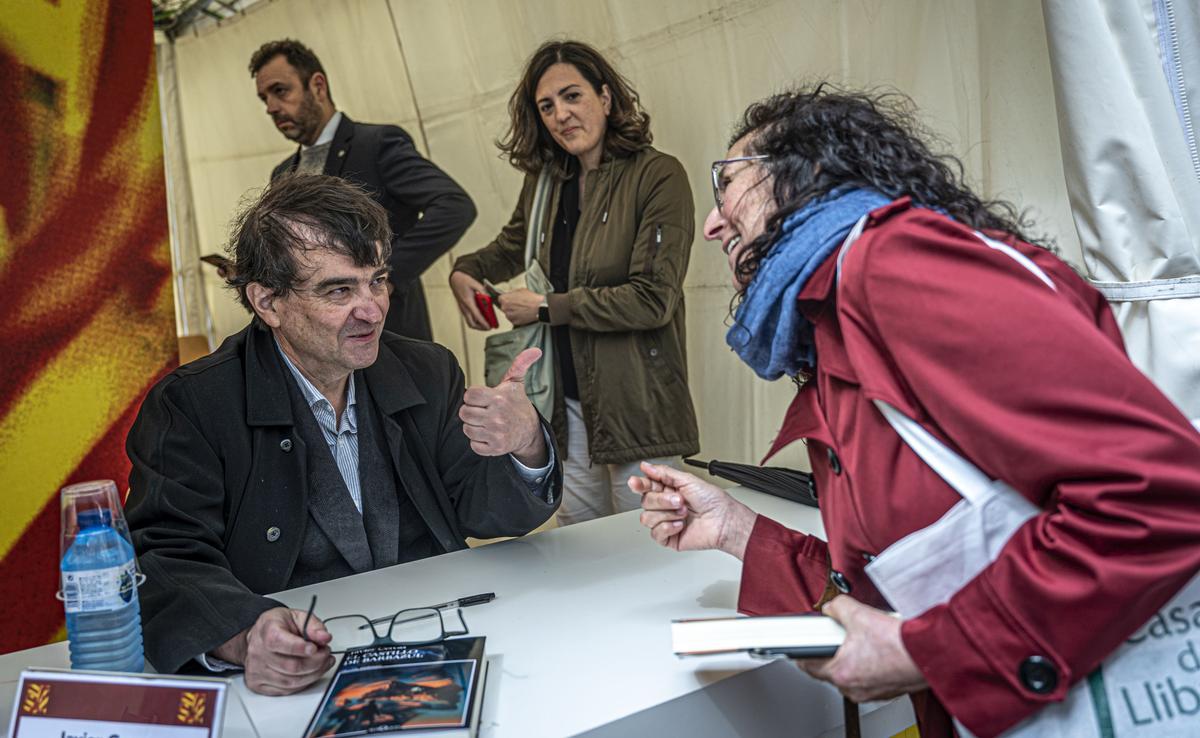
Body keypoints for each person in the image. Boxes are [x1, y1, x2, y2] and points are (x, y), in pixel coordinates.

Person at [633, 85, 1200, 737]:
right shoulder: (839, 324)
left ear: (808, 173)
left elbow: (1158, 495)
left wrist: (930, 652)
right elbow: (891, 595)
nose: (709, 223)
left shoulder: (894, 264)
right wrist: (735, 531)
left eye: (726, 183)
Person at [125, 174, 560, 695]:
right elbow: (164, 554)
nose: (372, 309)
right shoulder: (193, 403)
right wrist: (243, 635)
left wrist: (527, 442)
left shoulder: (426, 369)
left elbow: (486, 513)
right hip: (298, 668)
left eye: (377, 280)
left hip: (443, 639)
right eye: (339, 290)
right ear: (267, 302)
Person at [449, 40, 699, 525]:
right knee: (580, 549)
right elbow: (509, 246)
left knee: (646, 545)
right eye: (547, 106)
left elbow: (653, 300)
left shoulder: (658, 175)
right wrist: (463, 269)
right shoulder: (546, 183)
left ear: (605, 98)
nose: (561, 114)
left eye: (572, 96)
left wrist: (546, 307)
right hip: (563, 404)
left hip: (638, 405)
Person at [250, 38, 476, 340]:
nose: (271, 107)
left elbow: (453, 206)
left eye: (280, 91)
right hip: (316, 347)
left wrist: (386, 276)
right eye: (264, 98)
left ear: (318, 86)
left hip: (385, 336)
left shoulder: (376, 145)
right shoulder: (282, 174)